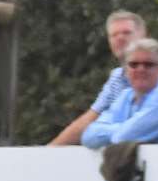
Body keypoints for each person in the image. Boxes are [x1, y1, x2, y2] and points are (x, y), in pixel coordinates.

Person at [50, 9, 149, 146]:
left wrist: (96, 133)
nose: (120, 38)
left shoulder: (155, 77)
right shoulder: (117, 77)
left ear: (143, 36)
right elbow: (89, 120)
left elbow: (140, 129)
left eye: (126, 33)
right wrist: (48, 151)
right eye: (114, 35)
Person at [81, 39, 158, 145]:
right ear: (126, 70)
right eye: (134, 64)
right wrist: (126, 127)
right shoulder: (126, 96)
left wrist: (118, 130)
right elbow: (88, 136)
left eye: (148, 65)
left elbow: (124, 138)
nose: (140, 69)